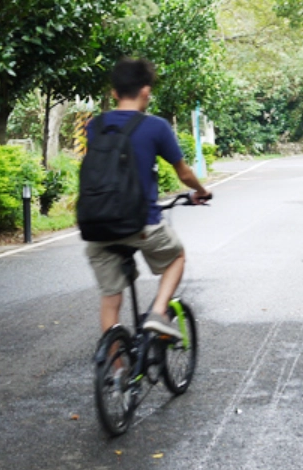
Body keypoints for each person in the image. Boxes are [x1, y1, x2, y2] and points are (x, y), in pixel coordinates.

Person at [85, 57, 211, 339]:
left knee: (110, 301)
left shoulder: (95, 126)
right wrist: (201, 192)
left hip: (97, 226)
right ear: (145, 91)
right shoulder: (156, 127)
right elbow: (184, 173)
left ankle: (116, 378)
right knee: (176, 256)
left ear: (114, 93)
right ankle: (158, 312)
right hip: (141, 225)